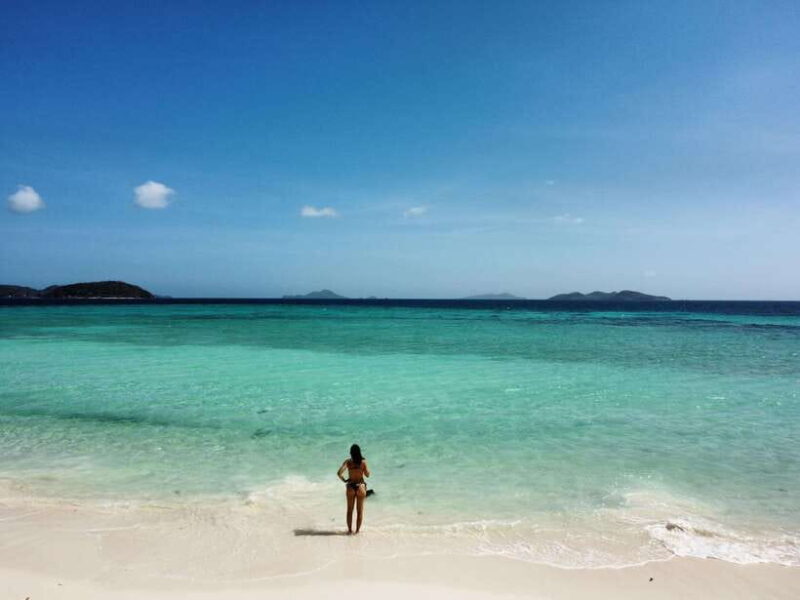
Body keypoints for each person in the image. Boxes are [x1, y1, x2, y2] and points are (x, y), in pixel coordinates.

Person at [337, 444, 370, 534]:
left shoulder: (348, 462)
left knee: (349, 510)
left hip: (351, 486)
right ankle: (357, 532)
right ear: (359, 452)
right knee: (359, 511)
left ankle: (349, 531)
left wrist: (344, 480)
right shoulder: (363, 462)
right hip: (360, 486)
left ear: (351, 453)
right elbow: (367, 475)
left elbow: (339, 473)